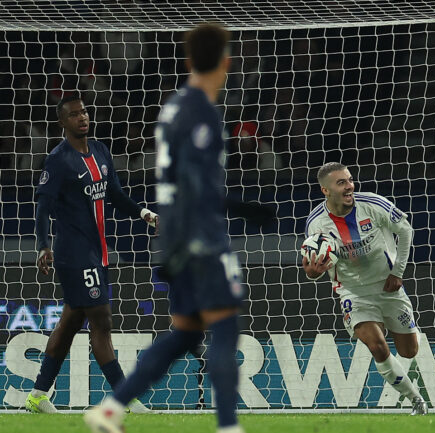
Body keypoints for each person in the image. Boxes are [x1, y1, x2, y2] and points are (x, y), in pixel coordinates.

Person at [85, 23, 272, 433]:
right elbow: (195, 183)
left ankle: (110, 409)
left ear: (188, 61)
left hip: (174, 235)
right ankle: (228, 426)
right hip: (201, 238)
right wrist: (244, 208)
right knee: (225, 327)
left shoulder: (172, 108)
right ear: (226, 63)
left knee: (186, 334)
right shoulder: (202, 112)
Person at [26, 94, 157, 414]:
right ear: (63, 122)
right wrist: (43, 244)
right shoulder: (58, 160)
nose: (82, 117)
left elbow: (114, 194)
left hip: (98, 253)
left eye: (84, 112)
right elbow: (43, 207)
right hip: (73, 254)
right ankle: (124, 397)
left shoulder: (100, 151)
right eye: (73, 115)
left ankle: (37, 395)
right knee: (101, 320)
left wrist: (141, 212)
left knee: (71, 323)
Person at [303, 162, 428, 415]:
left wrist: (397, 273)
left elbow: (405, 230)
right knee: (377, 345)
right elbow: (311, 266)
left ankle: (394, 328)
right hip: (353, 293)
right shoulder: (316, 224)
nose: (350, 186)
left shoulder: (372, 204)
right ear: (325, 190)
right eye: (341, 183)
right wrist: (313, 274)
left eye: (349, 180)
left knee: (409, 350)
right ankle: (416, 401)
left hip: (388, 287)